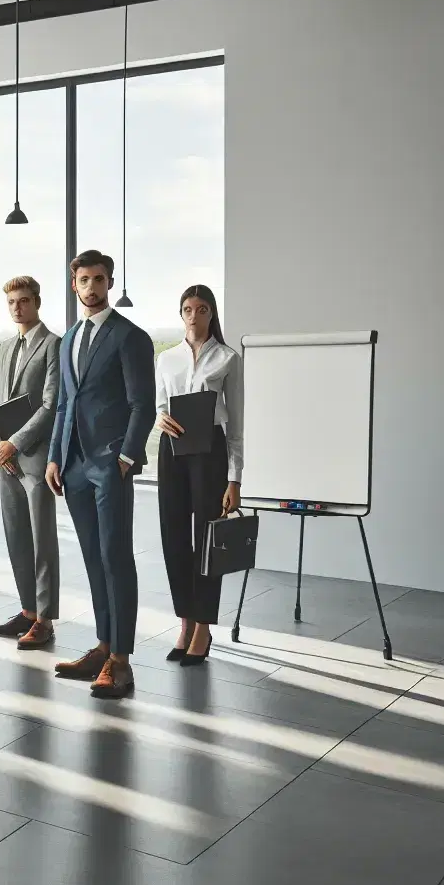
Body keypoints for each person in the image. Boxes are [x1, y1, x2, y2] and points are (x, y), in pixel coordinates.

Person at [47, 250, 155, 699]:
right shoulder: (68, 337)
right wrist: (55, 456)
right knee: (92, 557)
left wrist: (127, 458)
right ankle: (102, 646)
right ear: (74, 284)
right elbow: (64, 403)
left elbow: (142, 405)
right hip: (73, 467)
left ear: (110, 283)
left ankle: (122, 662)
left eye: (99, 279)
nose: (92, 287)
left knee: (116, 557)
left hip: (110, 466)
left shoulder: (130, 337)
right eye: (84, 280)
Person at [155, 284, 243, 667]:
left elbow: (236, 424)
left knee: (207, 542)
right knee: (173, 539)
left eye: (202, 309)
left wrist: (234, 478)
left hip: (209, 452)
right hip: (171, 451)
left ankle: (204, 627)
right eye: (188, 309)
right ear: (181, 314)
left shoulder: (227, 358)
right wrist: (158, 417)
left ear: (211, 314)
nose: (194, 316)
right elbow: (159, 404)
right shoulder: (166, 359)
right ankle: (185, 622)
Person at [0, 277, 62, 649]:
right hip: (6, 461)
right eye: (12, 301)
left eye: (24, 300)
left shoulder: (53, 346)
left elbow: (50, 405)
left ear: (37, 302)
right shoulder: (1, 348)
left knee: (41, 540)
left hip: (34, 457)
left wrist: (13, 444)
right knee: (15, 536)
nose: (17, 307)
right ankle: (28, 611)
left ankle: (45, 620)